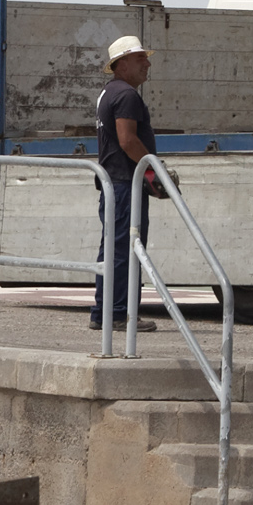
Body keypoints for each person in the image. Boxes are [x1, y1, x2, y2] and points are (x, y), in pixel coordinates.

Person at [90, 35, 158, 338]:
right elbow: (128, 140)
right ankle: (118, 314)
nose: (147, 63)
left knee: (113, 247)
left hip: (114, 183)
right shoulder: (127, 96)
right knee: (125, 249)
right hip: (124, 183)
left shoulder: (108, 93)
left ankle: (103, 312)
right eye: (140, 58)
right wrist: (154, 174)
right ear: (123, 64)